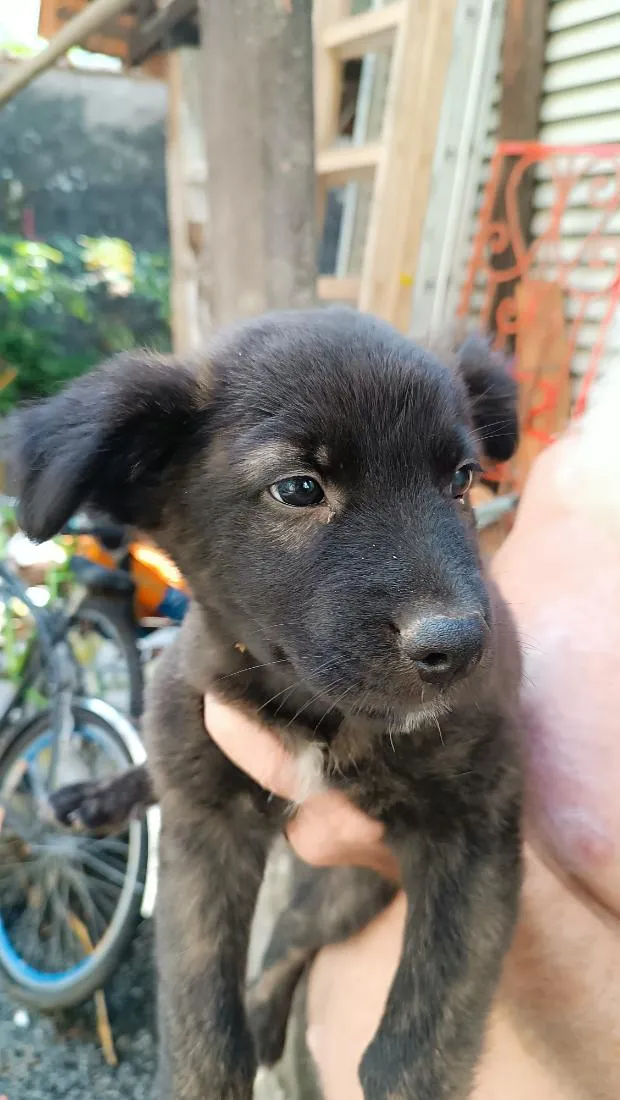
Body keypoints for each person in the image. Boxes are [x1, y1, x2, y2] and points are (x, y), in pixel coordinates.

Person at [204, 372, 620, 1100]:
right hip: (323, 1040)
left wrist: (429, 852)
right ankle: (279, 985)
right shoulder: (578, 461)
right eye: (302, 490)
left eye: (459, 481)